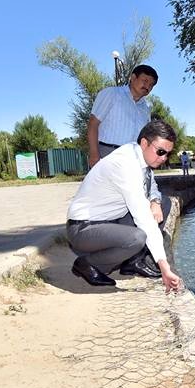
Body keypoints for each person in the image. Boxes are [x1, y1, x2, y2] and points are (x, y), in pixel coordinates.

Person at [66, 119, 183, 293]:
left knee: (163, 203)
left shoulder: (139, 157)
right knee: (136, 237)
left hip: (109, 221)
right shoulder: (125, 165)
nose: (164, 158)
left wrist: (155, 201)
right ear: (144, 143)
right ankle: (88, 264)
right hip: (83, 229)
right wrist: (165, 268)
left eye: (167, 154)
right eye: (160, 152)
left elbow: (150, 194)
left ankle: (131, 262)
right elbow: (143, 218)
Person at [86, 64, 158, 168]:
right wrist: (94, 154)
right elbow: (93, 124)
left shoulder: (145, 108)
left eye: (151, 85)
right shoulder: (112, 94)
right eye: (145, 81)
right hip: (107, 154)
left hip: (133, 159)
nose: (147, 86)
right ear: (133, 78)